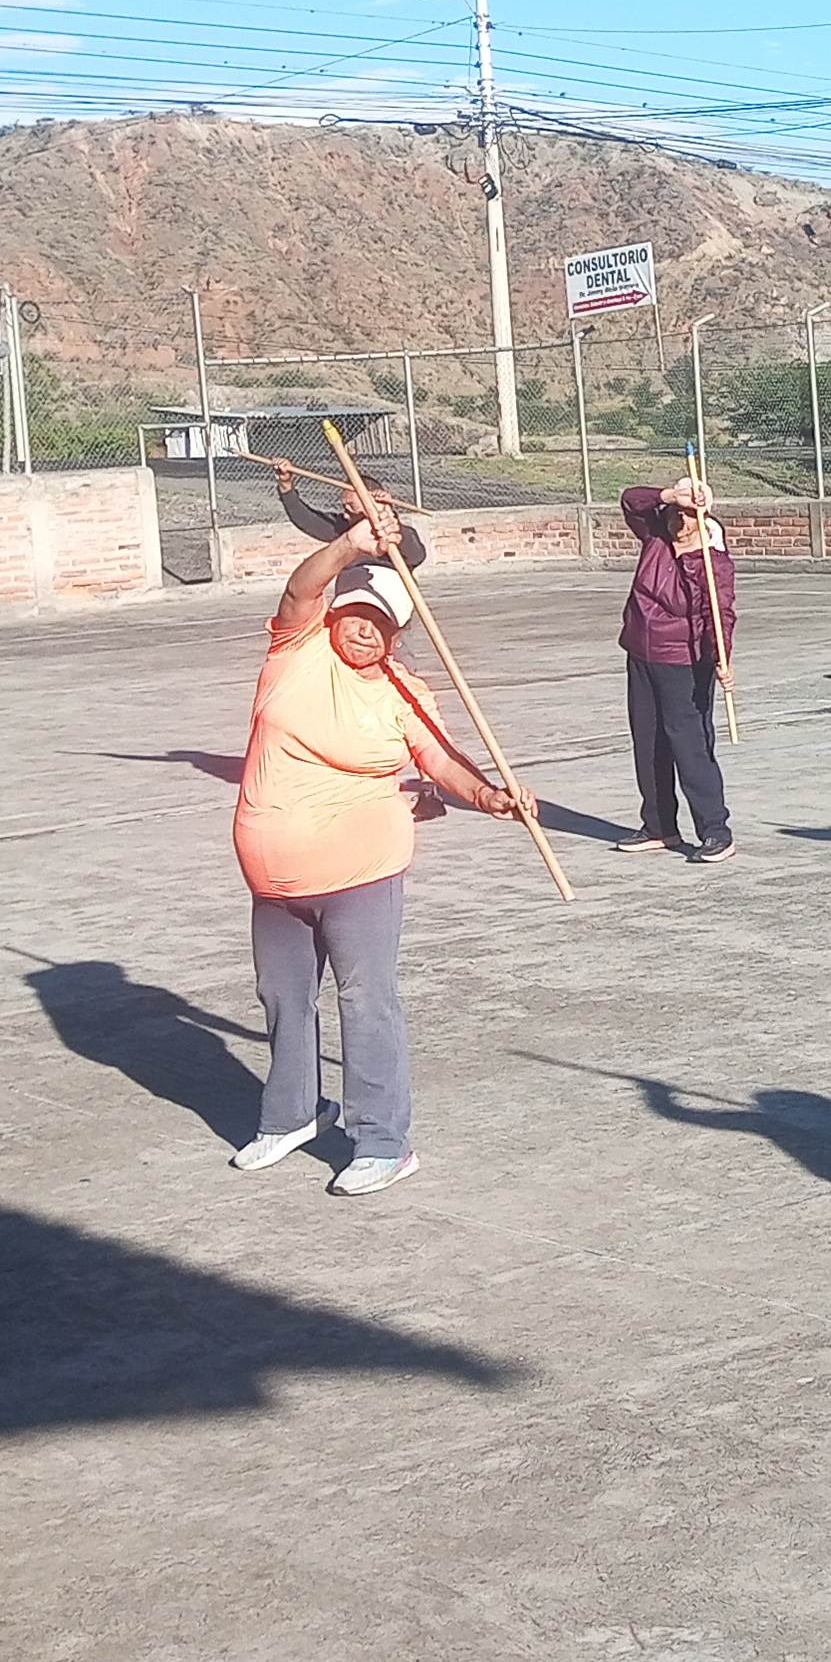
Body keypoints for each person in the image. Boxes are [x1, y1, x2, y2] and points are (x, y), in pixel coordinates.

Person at [231, 509, 529, 1192]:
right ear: (336, 615)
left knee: (365, 999)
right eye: (355, 615)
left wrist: (489, 796)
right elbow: (299, 590)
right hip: (274, 880)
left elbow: (442, 760)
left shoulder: (404, 692)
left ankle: (382, 1141)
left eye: (380, 623)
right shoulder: (295, 653)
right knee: (282, 995)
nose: (365, 630)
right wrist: (349, 545)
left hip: (361, 869)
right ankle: (292, 1115)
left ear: (396, 634)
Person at [619, 476, 739, 861]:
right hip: (641, 654)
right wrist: (669, 494)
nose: (680, 520)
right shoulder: (655, 535)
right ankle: (659, 827)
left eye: (689, 514)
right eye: (675, 511)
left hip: (683, 662)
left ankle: (715, 831)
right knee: (648, 743)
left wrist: (721, 659)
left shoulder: (711, 561)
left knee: (690, 746)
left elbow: (719, 615)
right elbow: (631, 500)